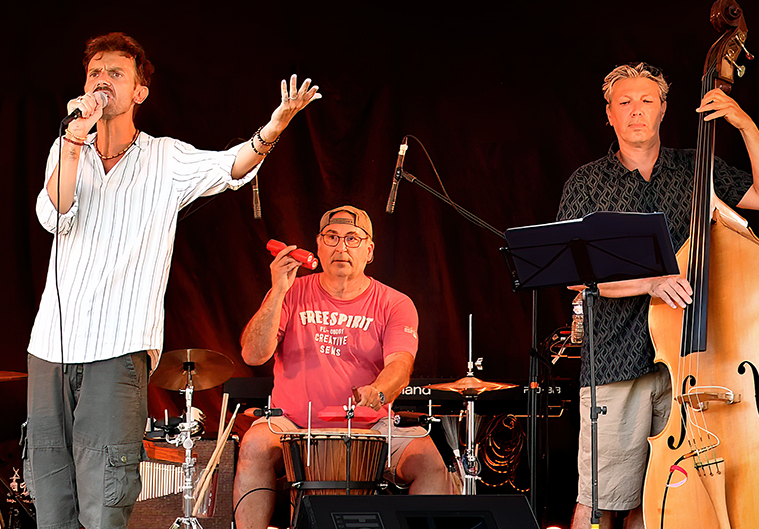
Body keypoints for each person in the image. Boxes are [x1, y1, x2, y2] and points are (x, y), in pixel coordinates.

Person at [25, 32, 320, 529]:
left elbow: (232, 165)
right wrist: (74, 142)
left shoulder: (166, 159)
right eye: (95, 73)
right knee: (50, 497)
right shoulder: (66, 147)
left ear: (140, 92)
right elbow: (53, 214)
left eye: (115, 74)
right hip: (49, 348)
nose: (102, 82)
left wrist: (273, 127)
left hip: (116, 348)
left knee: (104, 497)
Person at [558, 62, 759, 529]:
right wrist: (649, 283)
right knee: (597, 501)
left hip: (694, 360)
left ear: (664, 109)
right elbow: (576, 276)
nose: (636, 111)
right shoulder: (585, 182)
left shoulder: (694, 170)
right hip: (616, 361)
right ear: (608, 114)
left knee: (659, 504)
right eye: (624, 102)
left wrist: (745, 125)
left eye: (647, 101)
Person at [234, 205, 456, 528]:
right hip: (293, 425)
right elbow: (252, 354)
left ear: (369, 250)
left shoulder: (395, 303)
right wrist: (278, 289)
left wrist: (378, 392)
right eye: (332, 238)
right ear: (318, 245)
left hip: (371, 426)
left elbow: (400, 365)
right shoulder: (291, 293)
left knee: (430, 463)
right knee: (253, 445)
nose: (341, 247)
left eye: (353, 238)